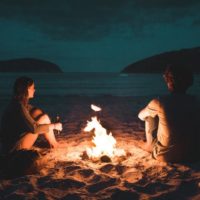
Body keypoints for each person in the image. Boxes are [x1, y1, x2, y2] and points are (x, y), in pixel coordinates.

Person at [138, 65, 200, 163]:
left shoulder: (160, 101)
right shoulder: (195, 101)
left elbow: (140, 116)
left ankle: (149, 145)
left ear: (169, 82)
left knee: (149, 115)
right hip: (192, 154)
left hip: (165, 156)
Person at [0, 76, 62, 155]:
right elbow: (34, 129)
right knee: (44, 118)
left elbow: (34, 111)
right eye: (33, 88)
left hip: (9, 145)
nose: (34, 90)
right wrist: (54, 126)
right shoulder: (18, 106)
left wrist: (47, 120)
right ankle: (54, 145)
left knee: (37, 113)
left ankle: (54, 144)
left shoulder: (17, 103)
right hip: (14, 149)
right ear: (27, 89)